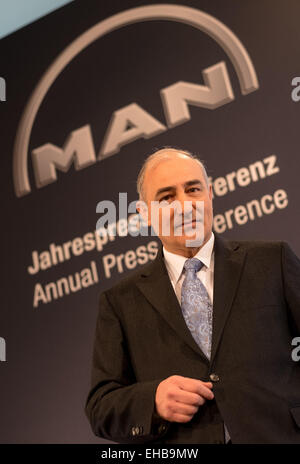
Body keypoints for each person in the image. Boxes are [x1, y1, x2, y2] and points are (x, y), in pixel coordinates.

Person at [85, 148, 300, 444]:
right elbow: (100, 407)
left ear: (210, 194)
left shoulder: (272, 260)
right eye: (167, 197)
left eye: (193, 189)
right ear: (145, 214)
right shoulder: (120, 302)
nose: (185, 206)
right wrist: (153, 401)